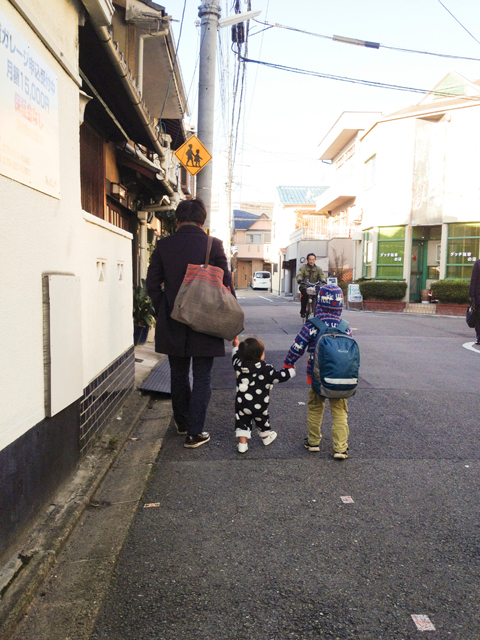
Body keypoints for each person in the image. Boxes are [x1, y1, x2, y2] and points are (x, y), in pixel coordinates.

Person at [146, 198, 235, 448]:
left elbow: (152, 285)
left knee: (178, 373)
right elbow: (226, 286)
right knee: (203, 376)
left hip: (174, 320)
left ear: (178, 219)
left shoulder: (164, 245)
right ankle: (195, 432)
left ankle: (182, 422)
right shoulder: (214, 245)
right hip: (207, 320)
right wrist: (231, 321)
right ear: (202, 219)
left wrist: (165, 309)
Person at [284, 283, 351, 459]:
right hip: (340, 378)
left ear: (320, 302)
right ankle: (340, 448)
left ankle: (313, 442)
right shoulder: (345, 326)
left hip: (316, 376)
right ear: (340, 304)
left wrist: (289, 363)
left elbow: (298, 345)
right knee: (339, 412)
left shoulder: (313, 324)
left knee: (315, 408)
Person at [231, 337, 296, 453]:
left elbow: (234, 355)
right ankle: (266, 437)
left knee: (241, 421)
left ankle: (242, 444)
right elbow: (279, 377)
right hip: (259, 404)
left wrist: (236, 345)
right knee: (262, 420)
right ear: (260, 355)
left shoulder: (238, 365)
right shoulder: (266, 369)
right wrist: (291, 371)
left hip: (242, 403)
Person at [296, 253, 325, 318]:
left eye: (313, 259)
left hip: (315, 286)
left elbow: (321, 276)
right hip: (305, 286)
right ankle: (303, 311)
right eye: (310, 259)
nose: (311, 261)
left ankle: (317, 311)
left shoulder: (318, 269)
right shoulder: (303, 268)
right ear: (307, 260)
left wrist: (323, 280)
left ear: (315, 260)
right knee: (305, 296)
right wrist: (300, 280)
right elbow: (299, 275)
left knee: (318, 297)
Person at [469, 258, 480, 345]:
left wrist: (472, 295)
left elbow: (474, 280)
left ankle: (479, 337)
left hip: (478, 296)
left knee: (479, 318)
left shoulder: (478, 263)